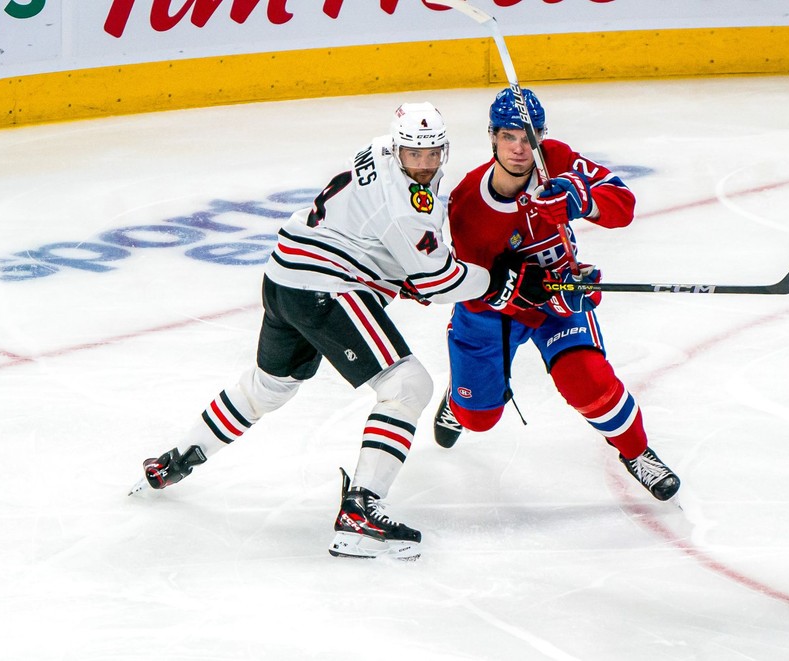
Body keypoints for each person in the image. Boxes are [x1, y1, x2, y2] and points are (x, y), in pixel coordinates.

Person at [129, 102, 556, 560]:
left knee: (268, 388)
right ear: (397, 150)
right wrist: (501, 281)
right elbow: (434, 282)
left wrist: (404, 274)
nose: (425, 165)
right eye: (414, 155)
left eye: (432, 154)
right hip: (324, 286)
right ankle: (361, 512)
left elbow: (394, 253)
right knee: (408, 386)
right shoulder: (404, 211)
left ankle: (175, 459)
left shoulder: (376, 152)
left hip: (285, 277)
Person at [432, 87, 681, 502]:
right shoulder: (467, 206)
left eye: (529, 136)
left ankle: (637, 453)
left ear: (541, 135)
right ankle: (459, 400)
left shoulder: (558, 161)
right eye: (509, 136)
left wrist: (584, 202)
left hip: (558, 296)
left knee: (588, 381)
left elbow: (623, 206)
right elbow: (475, 287)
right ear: (492, 136)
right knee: (478, 419)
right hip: (489, 314)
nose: (519, 147)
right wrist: (545, 296)